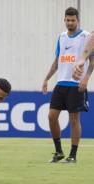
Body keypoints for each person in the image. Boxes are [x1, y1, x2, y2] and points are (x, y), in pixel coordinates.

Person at [42, 7, 94, 163]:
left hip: (76, 84)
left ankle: (73, 155)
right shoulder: (61, 37)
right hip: (61, 83)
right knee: (51, 116)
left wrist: (86, 78)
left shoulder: (86, 36)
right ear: (64, 20)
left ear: (78, 20)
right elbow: (57, 61)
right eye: (68, 20)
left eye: (73, 20)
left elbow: (92, 60)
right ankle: (58, 152)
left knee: (73, 120)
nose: (70, 23)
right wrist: (47, 78)